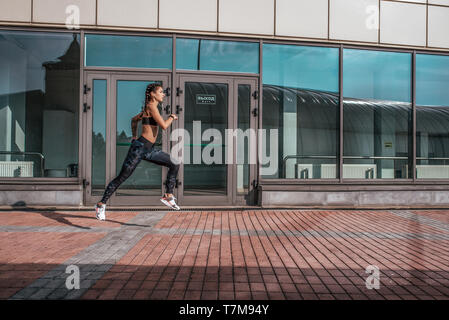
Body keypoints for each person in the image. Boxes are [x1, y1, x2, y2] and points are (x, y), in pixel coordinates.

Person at [95, 83, 180, 221]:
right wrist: (172, 117)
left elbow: (134, 120)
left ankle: (168, 195)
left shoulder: (149, 109)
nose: (163, 94)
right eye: (160, 92)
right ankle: (100, 204)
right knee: (122, 177)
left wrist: (134, 136)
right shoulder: (152, 107)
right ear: (152, 94)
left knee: (175, 163)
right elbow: (164, 126)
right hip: (139, 149)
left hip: (148, 149)